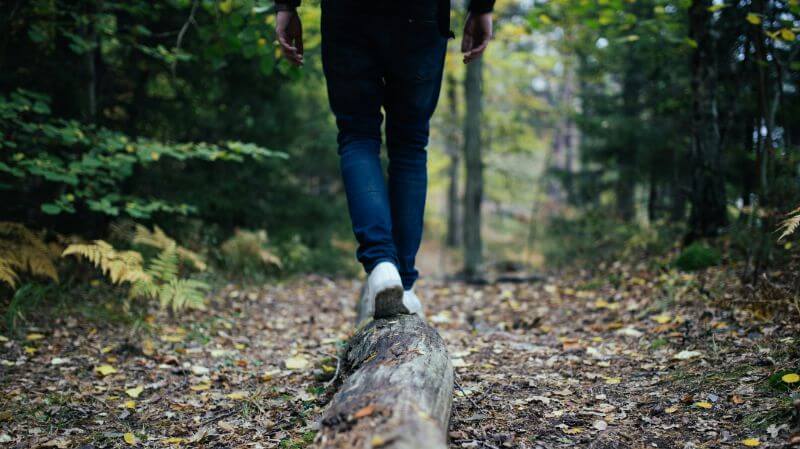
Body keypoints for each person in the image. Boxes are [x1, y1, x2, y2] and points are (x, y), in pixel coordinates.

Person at [275, 0, 494, 319]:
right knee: (409, 144)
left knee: (358, 135)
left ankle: (381, 267)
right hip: (420, 14)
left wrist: (285, 6)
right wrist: (482, 8)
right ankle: (403, 284)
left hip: (346, 13)